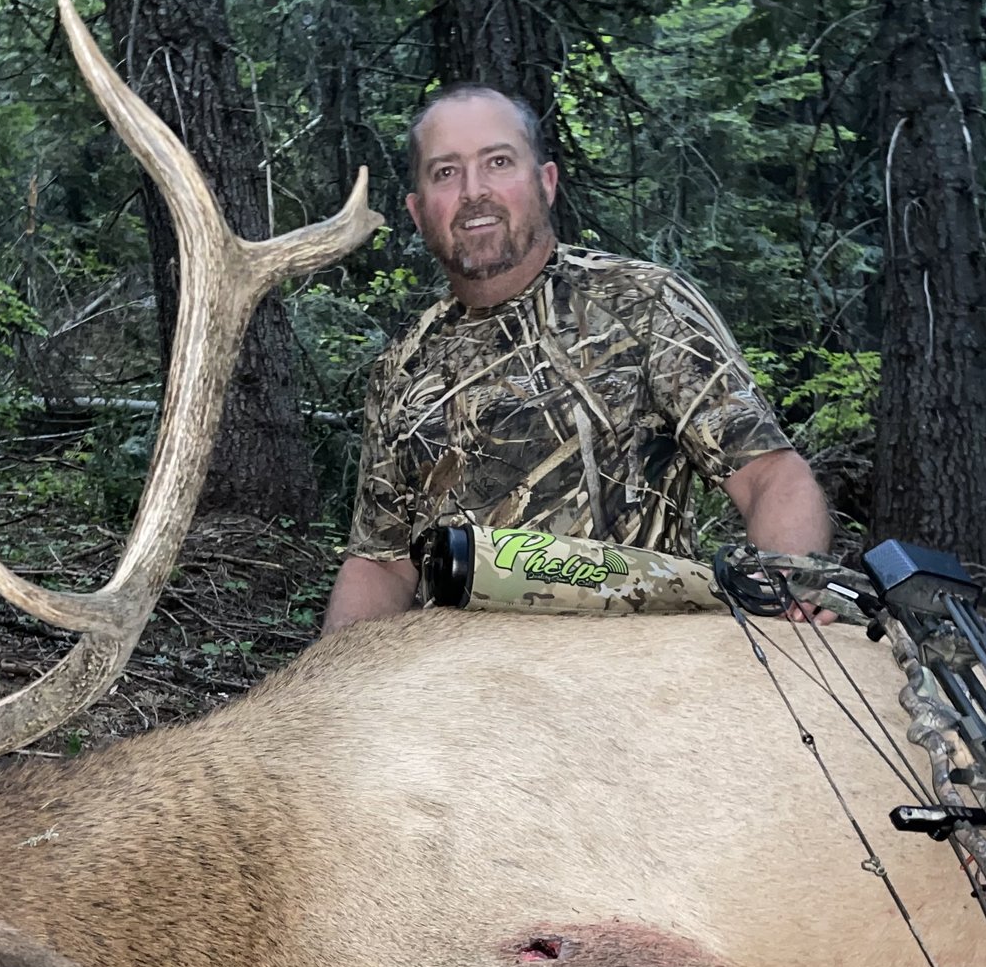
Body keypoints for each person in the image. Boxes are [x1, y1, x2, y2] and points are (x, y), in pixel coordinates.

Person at [321, 85, 832, 632]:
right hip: (456, 691)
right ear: (418, 212)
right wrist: (322, 694)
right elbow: (382, 564)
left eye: (498, 162)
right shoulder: (403, 365)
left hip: (627, 675)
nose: (474, 191)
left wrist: (783, 599)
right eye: (446, 172)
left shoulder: (642, 304)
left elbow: (771, 476)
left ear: (546, 183)